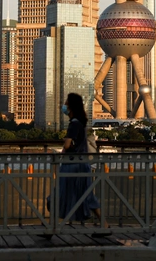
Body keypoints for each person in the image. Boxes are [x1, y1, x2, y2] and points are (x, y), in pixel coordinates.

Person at [53, 93, 99, 224]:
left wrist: (65, 141)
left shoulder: (74, 124)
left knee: (62, 194)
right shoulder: (80, 123)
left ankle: (51, 225)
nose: (64, 106)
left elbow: (68, 144)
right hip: (81, 163)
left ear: (71, 107)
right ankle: (103, 224)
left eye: (67, 104)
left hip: (73, 165)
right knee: (84, 195)